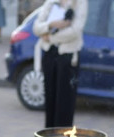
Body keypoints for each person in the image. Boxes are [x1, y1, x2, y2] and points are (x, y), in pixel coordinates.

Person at [33, 0, 86, 128]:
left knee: (64, 104)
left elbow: (75, 31)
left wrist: (50, 38)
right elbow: (36, 27)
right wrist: (51, 25)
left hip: (68, 57)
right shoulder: (51, 2)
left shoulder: (80, 2)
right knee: (50, 101)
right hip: (50, 54)